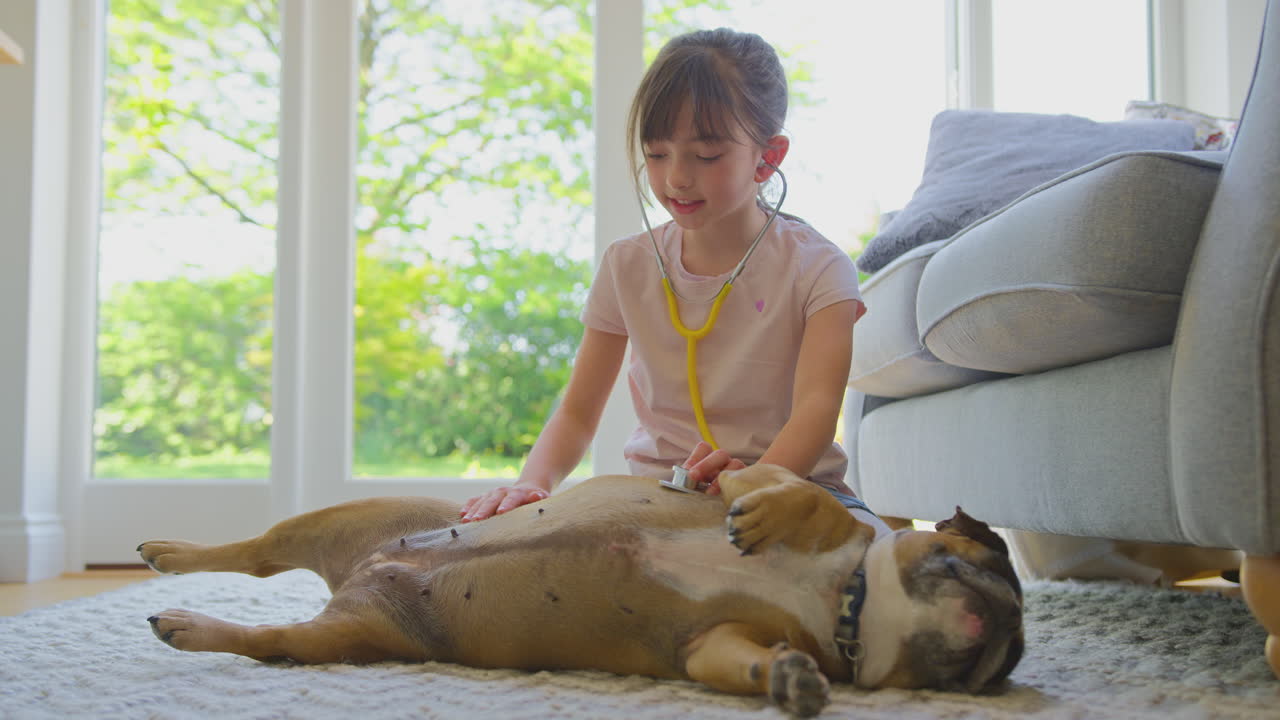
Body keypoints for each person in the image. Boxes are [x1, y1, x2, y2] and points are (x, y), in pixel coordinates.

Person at [461, 27, 874, 529]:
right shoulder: (627, 266)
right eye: (657, 154)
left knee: (869, 568)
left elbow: (816, 408)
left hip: (792, 488)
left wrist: (753, 489)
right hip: (660, 495)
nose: (676, 177)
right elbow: (577, 412)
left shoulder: (820, 268)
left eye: (706, 156)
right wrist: (534, 481)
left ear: (768, 158)